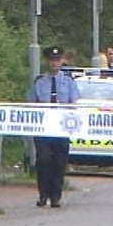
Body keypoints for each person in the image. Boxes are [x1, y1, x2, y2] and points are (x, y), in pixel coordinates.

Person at [26, 45, 80, 208]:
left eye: (57, 60)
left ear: (62, 61)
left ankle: (55, 196)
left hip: (61, 129)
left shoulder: (69, 82)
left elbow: (74, 103)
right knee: (43, 161)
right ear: (46, 62)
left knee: (59, 163)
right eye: (51, 60)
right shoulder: (39, 82)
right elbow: (31, 103)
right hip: (43, 129)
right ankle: (43, 193)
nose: (54, 64)